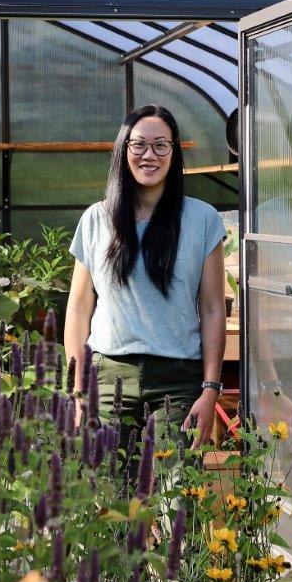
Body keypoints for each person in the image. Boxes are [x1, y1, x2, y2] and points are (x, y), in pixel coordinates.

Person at [63, 104, 228, 455]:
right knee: (109, 499)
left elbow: (213, 309)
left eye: (160, 145)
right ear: (124, 151)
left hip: (178, 381)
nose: (148, 155)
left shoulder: (203, 220)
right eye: (138, 145)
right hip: (108, 379)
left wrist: (211, 388)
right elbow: (78, 309)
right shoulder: (97, 219)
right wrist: (77, 391)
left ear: (174, 152)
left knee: (177, 499)